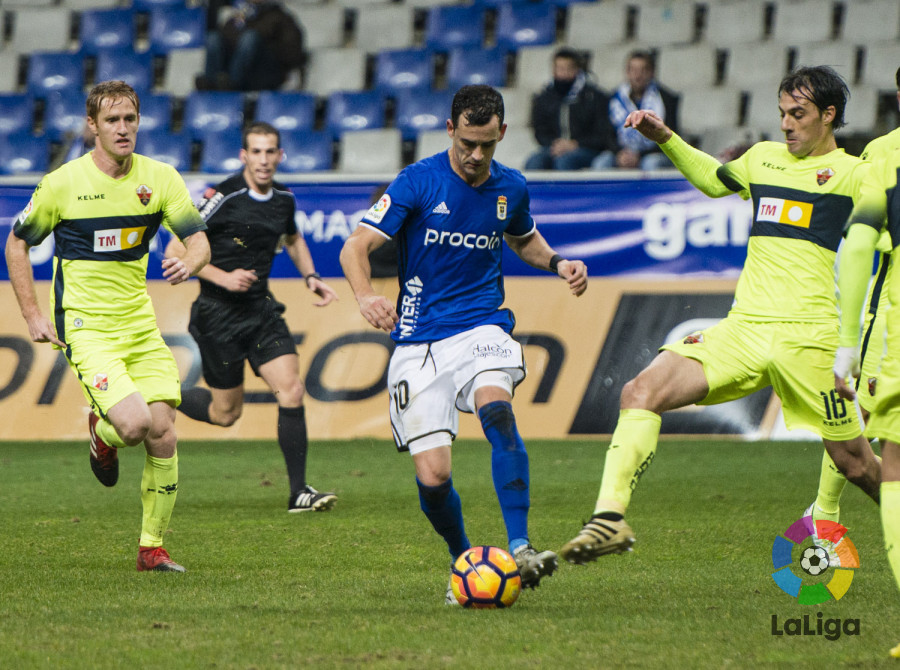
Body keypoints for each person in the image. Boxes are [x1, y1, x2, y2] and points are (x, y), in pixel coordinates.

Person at [561, 66, 882, 565]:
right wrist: (665, 138)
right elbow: (713, 179)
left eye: (798, 114)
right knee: (639, 391)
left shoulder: (856, 174)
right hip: (744, 330)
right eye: (782, 114)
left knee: (857, 464)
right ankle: (609, 518)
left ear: (829, 115)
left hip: (811, 338)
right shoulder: (762, 160)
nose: (786, 125)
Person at [339, 85, 588, 599]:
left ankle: (520, 548)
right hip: (419, 339)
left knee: (497, 408)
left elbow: (522, 238)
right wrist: (365, 298)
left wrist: (559, 261)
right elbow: (355, 246)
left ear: (502, 134)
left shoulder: (511, 187)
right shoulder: (417, 182)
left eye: (487, 145)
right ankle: (465, 564)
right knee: (433, 478)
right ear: (450, 130)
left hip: (482, 325)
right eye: (467, 143)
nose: (476, 156)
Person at [5, 80, 210, 573]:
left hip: (139, 324)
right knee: (136, 425)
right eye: (112, 121)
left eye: (130, 119)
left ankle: (151, 549)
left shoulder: (159, 179)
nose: (123, 129)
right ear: (92, 126)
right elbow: (17, 243)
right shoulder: (62, 184)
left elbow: (199, 240)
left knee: (163, 432)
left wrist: (191, 263)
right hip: (86, 326)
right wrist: (33, 315)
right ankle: (102, 431)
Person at [165, 121, 339, 513]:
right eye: (256, 152)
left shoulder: (284, 200)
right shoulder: (222, 196)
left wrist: (310, 276)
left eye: (270, 151)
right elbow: (177, 250)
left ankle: (298, 493)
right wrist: (223, 277)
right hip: (216, 316)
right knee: (225, 414)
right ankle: (160, 394)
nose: (263, 160)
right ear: (244, 156)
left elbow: (293, 239)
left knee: (291, 390)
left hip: (260, 311)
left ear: (280, 156)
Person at [806, 67, 900, 528]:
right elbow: (865, 230)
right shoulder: (880, 152)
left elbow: (864, 234)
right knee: (862, 413)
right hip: (889, 309)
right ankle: (824, 510)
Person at [832, 109, 900, 662]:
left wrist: (848, 340)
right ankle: (822, 515)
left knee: (893, 462)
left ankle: (823, 518)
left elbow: (858, 244)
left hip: (894, 326)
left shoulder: (883, 154)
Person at [524, 47, 616, 171]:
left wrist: (575, 144)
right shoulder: (544, 97)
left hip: (588, 149)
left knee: (564, 162)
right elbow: (540, 131)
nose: (563, 73)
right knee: (534, 162)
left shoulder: (594, 97)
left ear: (577, 70)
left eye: (568, 69)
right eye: (559, 68)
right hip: (554, 147)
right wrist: (556, 143)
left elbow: (602, 134)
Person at [592, 50, 679, 171]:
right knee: (601, 163)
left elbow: (670, 136)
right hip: (621, 153)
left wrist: (639, 155)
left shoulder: (667, 100)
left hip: (653, 153)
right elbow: (607, 135)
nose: (638, 76)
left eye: (643, 70)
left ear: (652, 73)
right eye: (633, 70)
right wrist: (620, 153)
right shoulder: (613, 99)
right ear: (626, 72)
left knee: (650, 164)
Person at [199, 0, 305, 92]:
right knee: (213, 38)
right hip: (237, 67)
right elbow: (225, 37)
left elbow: (293, 51)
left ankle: (233, 83)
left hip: (264, 72)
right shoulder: (241, 16)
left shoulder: (281, 17)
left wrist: (268, 47)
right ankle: (211, 82)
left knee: (250, 38)